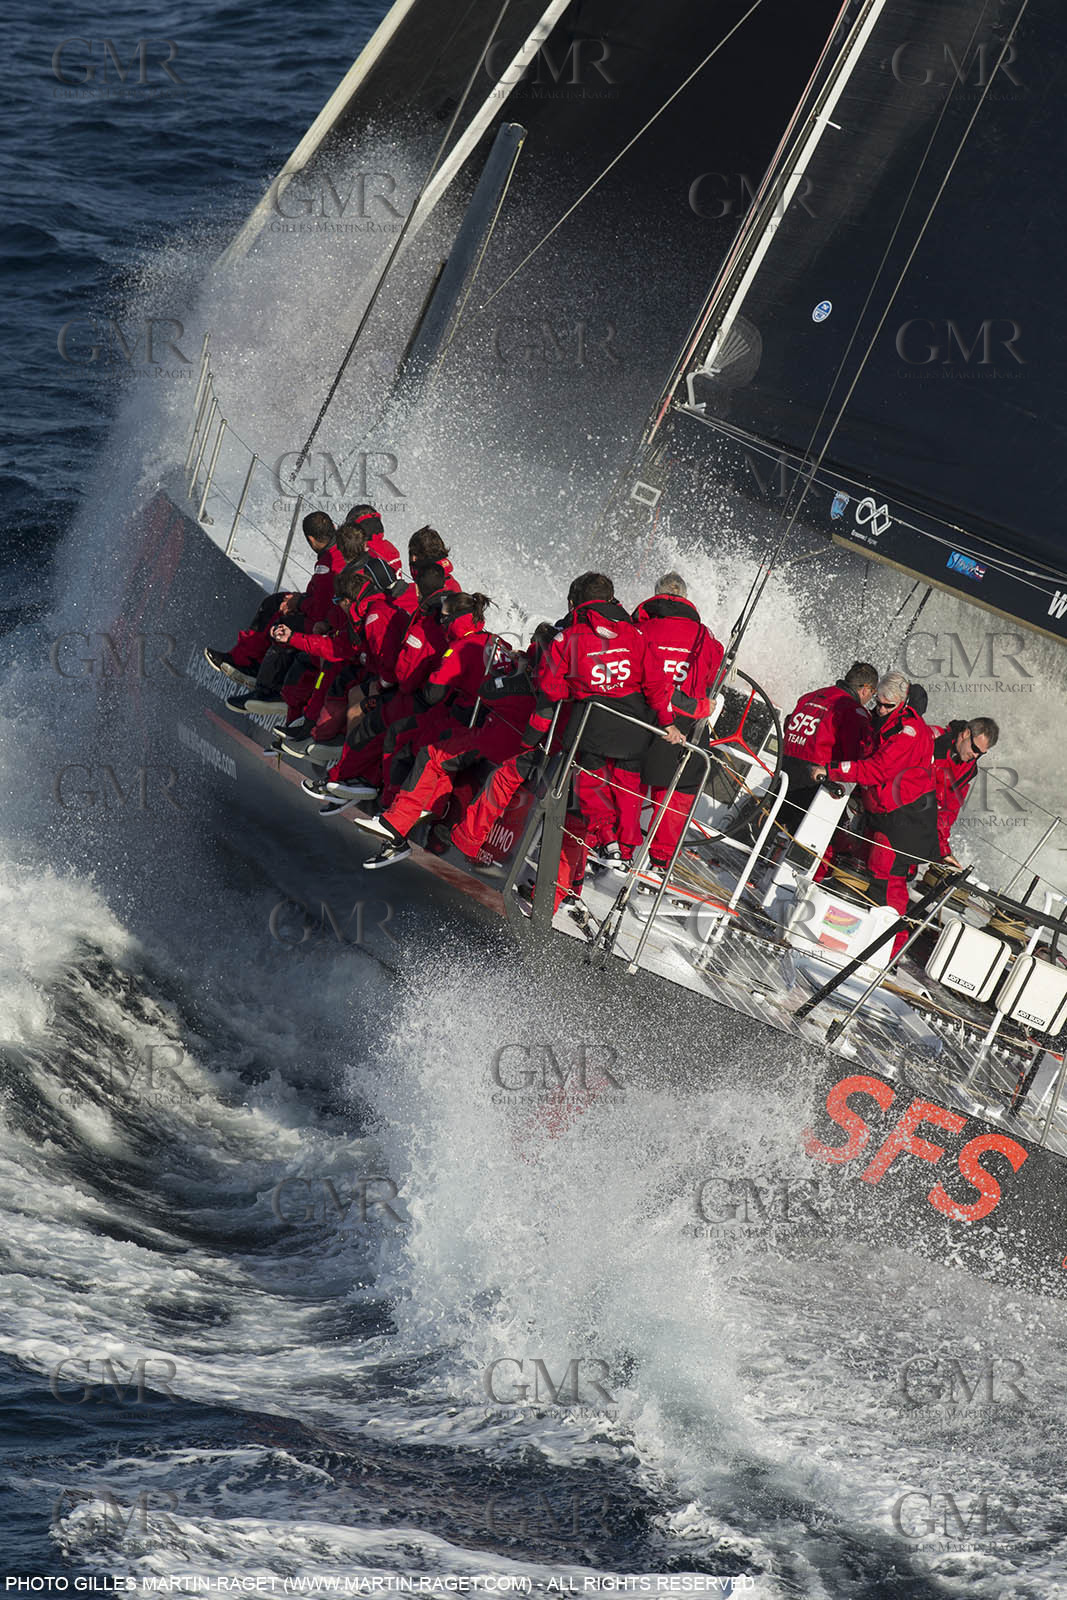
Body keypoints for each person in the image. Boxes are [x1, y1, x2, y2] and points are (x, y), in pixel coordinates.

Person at [813, 670, 938, 957]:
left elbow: (876, 769)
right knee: (849, 854)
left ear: (903, 702)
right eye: (878, 703)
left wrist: (833, 769)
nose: (879, 709)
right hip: (879, 809)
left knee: (887, 882)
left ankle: (886, 952)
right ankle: (838, 925)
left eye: (886, 706)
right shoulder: (883, 720)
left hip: (903, 818)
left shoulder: (909, 733)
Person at [631, 573, 724, 876]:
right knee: (677, 791)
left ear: (656, 595)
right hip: (683, 728)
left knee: (625, 781)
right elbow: (714, 677)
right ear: (686, 599)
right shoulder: (705, 638)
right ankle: (659, 863)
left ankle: (613, 845)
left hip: (638, 719)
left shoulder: (640, 628)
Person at [203, 511, 342, 685]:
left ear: (311, 539)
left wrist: (298, 603)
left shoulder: (328, 565)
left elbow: (320, 611)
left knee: (281, 619)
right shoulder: (341, 548)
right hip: (328, 611)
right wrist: (300, 599)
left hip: (326, 622)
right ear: (333, 528)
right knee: (274, 602)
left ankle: (262, 679)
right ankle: (244, 658)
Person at [931, 716, 999, 867]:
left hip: (915, 830)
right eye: (975, 749)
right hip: (888, 817)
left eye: (981, 753)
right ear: (966, 734)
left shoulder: (968, 771)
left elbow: (947, 813)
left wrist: (943, 853)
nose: (975, 756)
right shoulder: (932, 741)